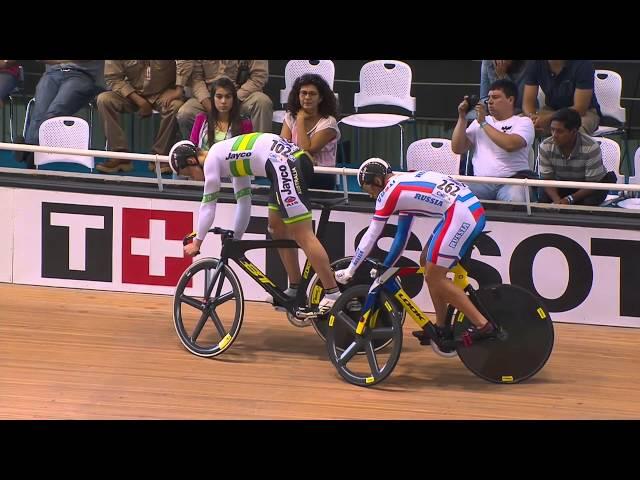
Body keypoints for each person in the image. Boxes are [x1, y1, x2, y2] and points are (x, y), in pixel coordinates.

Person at [333, 158, 494, 351]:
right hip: (464, 209)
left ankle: (482, 325)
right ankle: (441, 327)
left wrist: (351, 270)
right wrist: (386, 268)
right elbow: (401, 237)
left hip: (461, 214)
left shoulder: (388, 193)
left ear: (377, 181)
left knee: (435, 275)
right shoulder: (402, 183)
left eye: (370, 191)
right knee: (426, 262)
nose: (371, 196)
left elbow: (371, 235)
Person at [177, 132, 341, 315]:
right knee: (276, 227)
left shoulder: (212, 159)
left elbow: (208, 206)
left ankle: (332, 292)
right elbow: (244, 203)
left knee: (303, 234)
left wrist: (198, 242)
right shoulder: (230, 161)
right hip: (284, 165)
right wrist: (236, 238)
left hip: (284, 165)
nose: (191, 179)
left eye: (187, 174)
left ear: (192, 161)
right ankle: (295, 289)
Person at [452, 79, 535, 202]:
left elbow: (510, 145)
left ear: (510, 100)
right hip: (480, 182)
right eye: (489, 97)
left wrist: (484, 123)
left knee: (515, 198)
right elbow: (457, 149)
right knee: (455, 193)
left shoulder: (523, 122)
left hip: (512, 182)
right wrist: (462, 117)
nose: (489, 102)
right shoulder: (478, 122)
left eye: (495, 97)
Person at [96, 60, 183, 174]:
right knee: (104, 100)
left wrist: (178, 89)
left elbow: (185, 63)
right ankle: (120, 156)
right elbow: (114, 78)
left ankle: (159, 157)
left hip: (164, 92)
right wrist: (139, 101)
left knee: (176, 106)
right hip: (133, 93)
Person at [538, 108, 616, 206]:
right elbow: (547, 179)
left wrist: (569, 199)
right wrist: (557, 201)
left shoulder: (591, 147)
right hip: (561, 185)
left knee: (588, 203)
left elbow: (592, 184)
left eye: (559, 131)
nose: (554, 135)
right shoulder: (545, 146)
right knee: (544, 198)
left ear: (574, 132)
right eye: (552, 130)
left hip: (589, 186)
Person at [176, 60, 273, 137]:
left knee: (262, 102)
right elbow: (196, 79)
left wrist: (233, 99)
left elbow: (259, 76)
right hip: (209, 96)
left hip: (241, 95)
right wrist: (210, 104)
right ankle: (194, 153)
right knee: (185, 113)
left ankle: (260, 152)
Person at [183, 77, 254, 180]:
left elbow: (247, 155)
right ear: (213, 98)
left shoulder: (245, 123)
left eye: (228, 97)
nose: (223, 101)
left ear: (233, 99)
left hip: (230, 171)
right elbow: (192, 147)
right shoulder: (201, 119)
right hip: (203, 169)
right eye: (219, 97)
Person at [280, 73, 340, 190]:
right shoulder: (290, 117)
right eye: (304, 93)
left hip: (321, 174)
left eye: (312, 94)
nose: (307, 97)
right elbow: (282, 147)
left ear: (320, 98)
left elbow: (306, 150)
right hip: (294, 170)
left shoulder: (328, 122)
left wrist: (300, 119)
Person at [522, 60, 601, 135]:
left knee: (573, 131)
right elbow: (527, 103)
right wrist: (531, 118)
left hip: (582, 114)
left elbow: (580, 108)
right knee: (519, 126)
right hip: (550, 109)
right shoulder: (534, 63)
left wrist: (548, 119)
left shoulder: (583, 64)